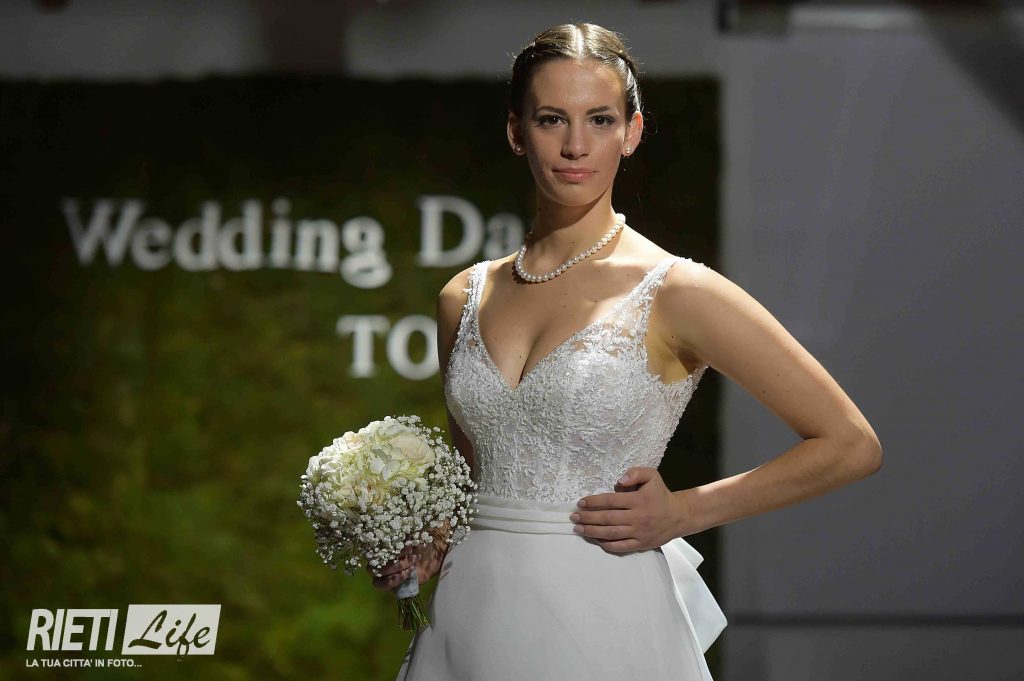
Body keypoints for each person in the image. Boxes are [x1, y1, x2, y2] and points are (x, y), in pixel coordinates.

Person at [371, 22, 882, 681]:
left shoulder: (677, 290)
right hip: (469, 618)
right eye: (552, 119)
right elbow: (475, 473)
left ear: (632, 132)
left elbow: (851, 443)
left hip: (602, 611)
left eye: (601, 119)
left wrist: (687, 510)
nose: (576, 144)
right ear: (516, 131)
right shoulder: (462, 296)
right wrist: (428, 544)